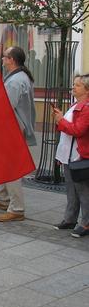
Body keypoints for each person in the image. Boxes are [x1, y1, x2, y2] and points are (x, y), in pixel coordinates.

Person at [0, 46, 36, 222]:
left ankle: (17, 208)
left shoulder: (16, 81)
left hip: (13, 129)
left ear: (12, 60)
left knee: (12, 168)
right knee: (6, 163)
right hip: (14, 127)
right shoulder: (19, 76)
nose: (3, 59)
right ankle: (4, 198)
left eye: (5, 57)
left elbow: (5, 107)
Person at [52, 74, 89, 238]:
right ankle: (70, 219)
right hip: (68, 154)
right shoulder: (75, 105)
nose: (73, 88)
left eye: (77, 85)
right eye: (74, 85)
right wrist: (60, 120)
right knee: (71, 190)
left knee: (83, 191)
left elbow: (78, 131)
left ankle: (86, 223)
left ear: (86, 90)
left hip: (78, 156)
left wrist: (61, 120)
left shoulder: (86, 108)